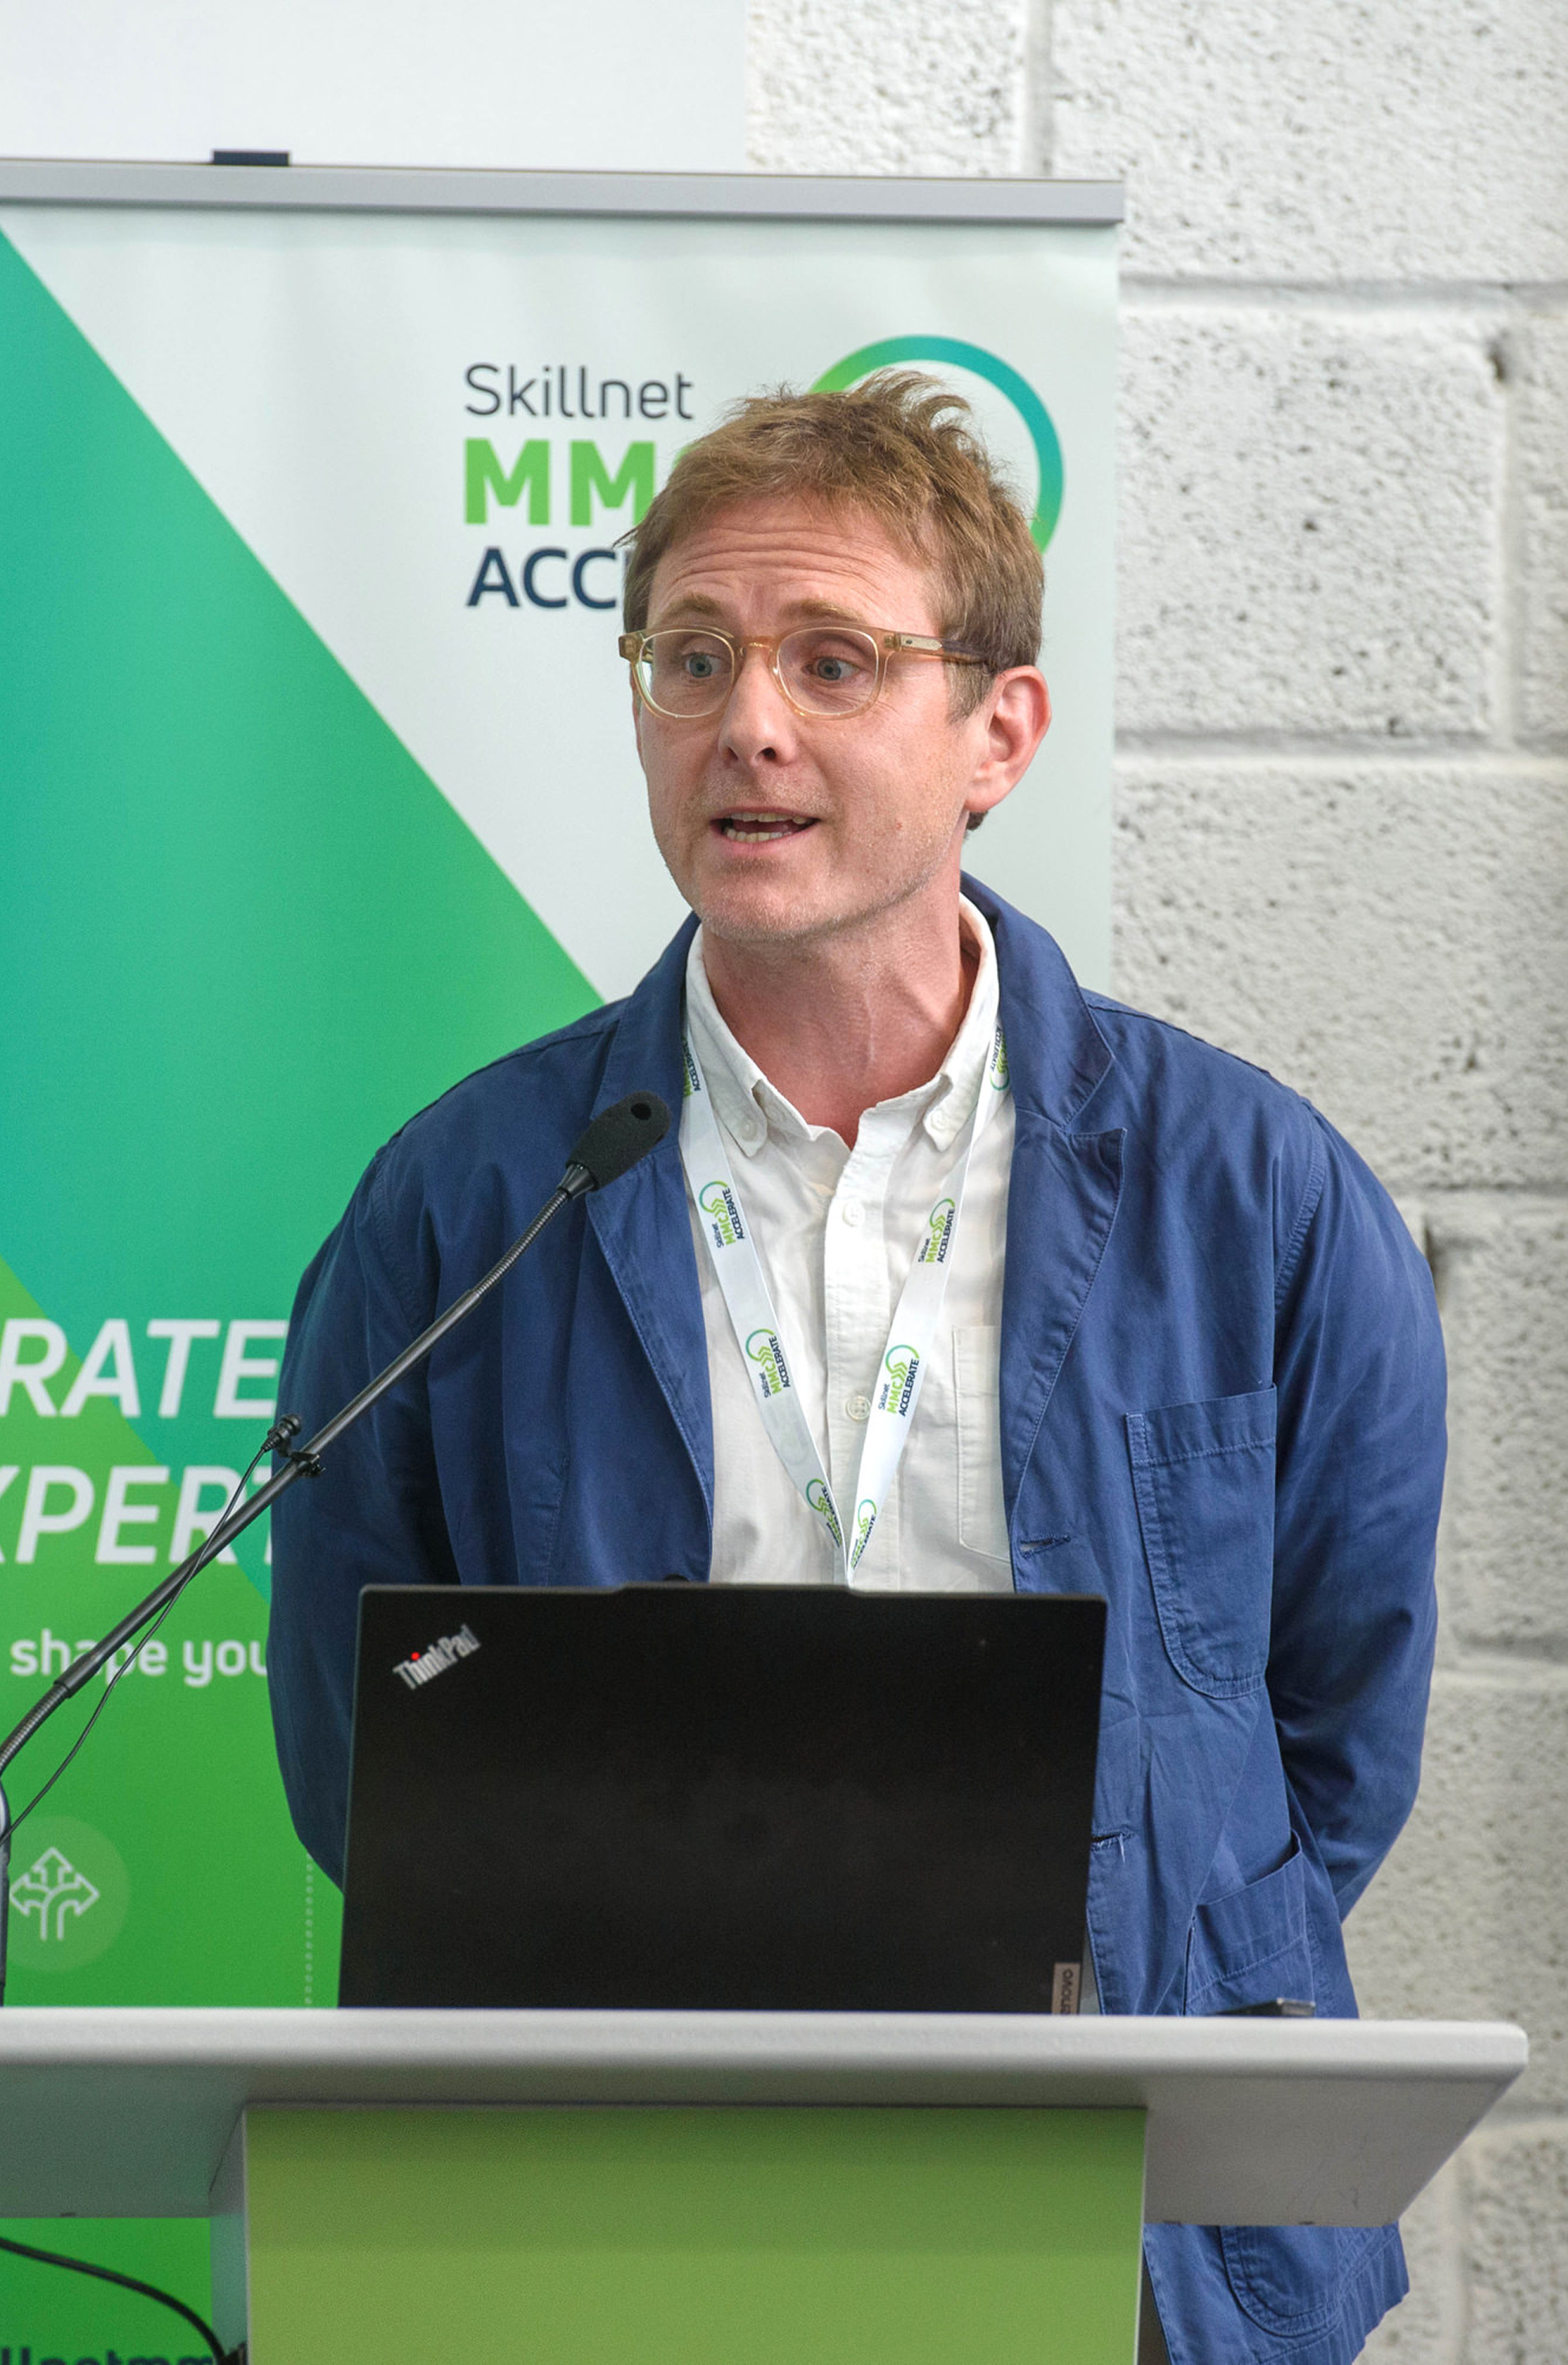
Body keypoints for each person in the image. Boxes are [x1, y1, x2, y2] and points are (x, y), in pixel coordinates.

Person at [268, 373, 1444, 2365]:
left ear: (1001, 730)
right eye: (693, 657)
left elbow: (1331, 1739)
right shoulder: (465, 1202)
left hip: (1119, 2225)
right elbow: (358, 1763)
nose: (747, 721)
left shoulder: (1257, 1194)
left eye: (834, 660)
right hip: (607, 2217)